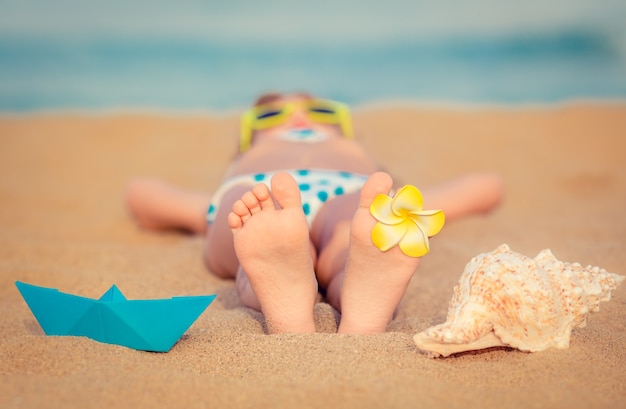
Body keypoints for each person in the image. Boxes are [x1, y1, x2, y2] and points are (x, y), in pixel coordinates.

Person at [125, 92, 503, 334]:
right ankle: (285, 280)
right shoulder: (244, 171)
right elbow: (145, 198)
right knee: (248, 221)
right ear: (244, 146)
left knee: (354, 227)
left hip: (349, 195)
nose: (297, 118)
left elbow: (480, 189)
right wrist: (195, 208)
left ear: (351, 136)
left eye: (321, 111)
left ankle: (358, 291)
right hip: (259, 194)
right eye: (270, 117)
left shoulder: (356, 159)